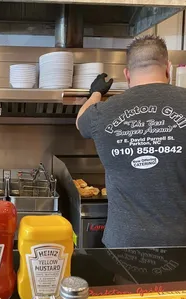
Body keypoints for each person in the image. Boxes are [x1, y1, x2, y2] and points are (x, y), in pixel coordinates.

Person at [76, 35, 186, 247]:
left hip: (124, 247)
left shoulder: (103, 112)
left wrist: (96, 93)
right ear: (168, 69)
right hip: (181, 247)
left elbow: (81, 121)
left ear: (127, 75)